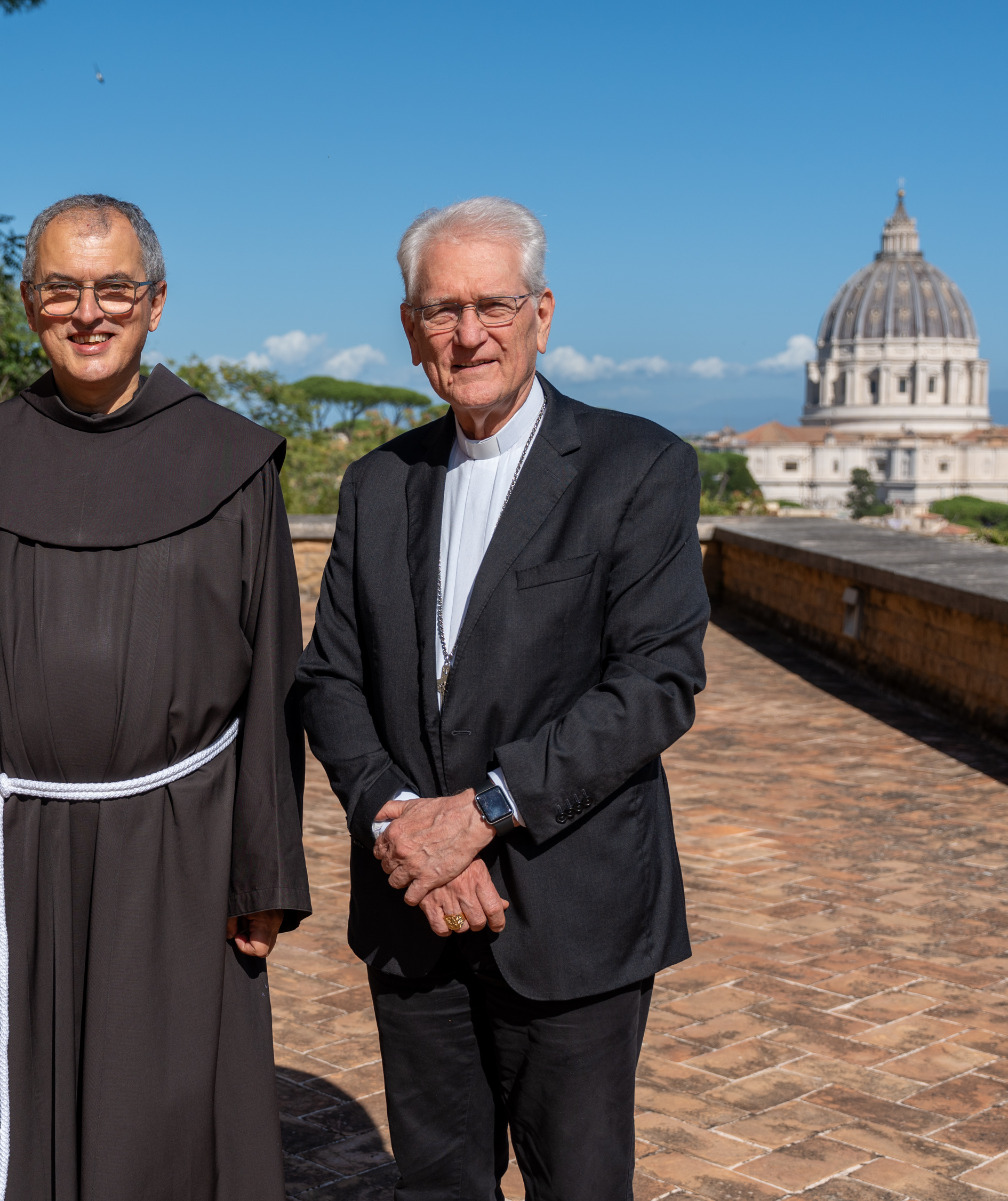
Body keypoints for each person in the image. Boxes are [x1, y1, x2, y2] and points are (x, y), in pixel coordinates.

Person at [0, 193, 310, 1201]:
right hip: (6, 848)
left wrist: (262, 868)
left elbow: (271, 682)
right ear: (29, 301)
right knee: (13, 1102)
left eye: (115, 288)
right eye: (63, 289)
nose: (90, 312)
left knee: (164, 1114)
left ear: (156, 302)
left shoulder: (234, 462)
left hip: (185, 843)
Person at [296, 196, 708, 1200]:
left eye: (493, 304)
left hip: (568, 906)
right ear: (408, 329)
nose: (467, 333)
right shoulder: (375, 483)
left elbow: (656, 682)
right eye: (440, 310)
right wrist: (402, 824)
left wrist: (479, 814)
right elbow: (330, 678)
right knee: (438, 1184)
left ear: (542, 313)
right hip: (413, 908)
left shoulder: (637, 466)